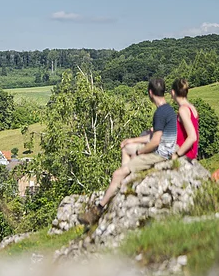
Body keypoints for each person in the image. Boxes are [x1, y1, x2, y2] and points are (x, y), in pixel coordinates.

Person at [78, 78, 177, 226]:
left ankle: (97, 211)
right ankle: (125, 180)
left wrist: (139, 153)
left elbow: (155, 141)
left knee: (116, 174)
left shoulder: (160, 113)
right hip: (164, 150)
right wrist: (132, 141)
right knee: (126, 147)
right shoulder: (167, 109)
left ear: (150, 93)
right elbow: (156, 136)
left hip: (159, 155)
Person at [171, 78, 199, 161]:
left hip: (184, 155)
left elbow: (192, 136)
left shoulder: (183, 110)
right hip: (191, 154)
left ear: (173, 92)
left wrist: (177, 154)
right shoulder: (191, 107)